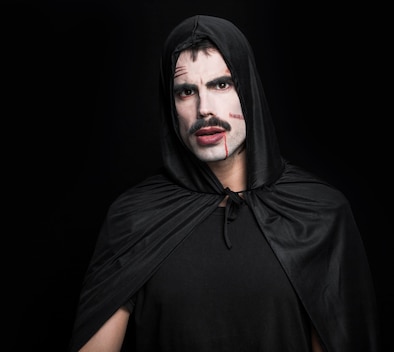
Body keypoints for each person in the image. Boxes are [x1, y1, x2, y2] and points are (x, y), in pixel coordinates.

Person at [67, 14, 380, 352]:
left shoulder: (319, 213)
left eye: (221, 84)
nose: (205, 109)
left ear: (248, 89)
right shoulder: (134, 218)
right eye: (186, 91)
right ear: (170, 106)